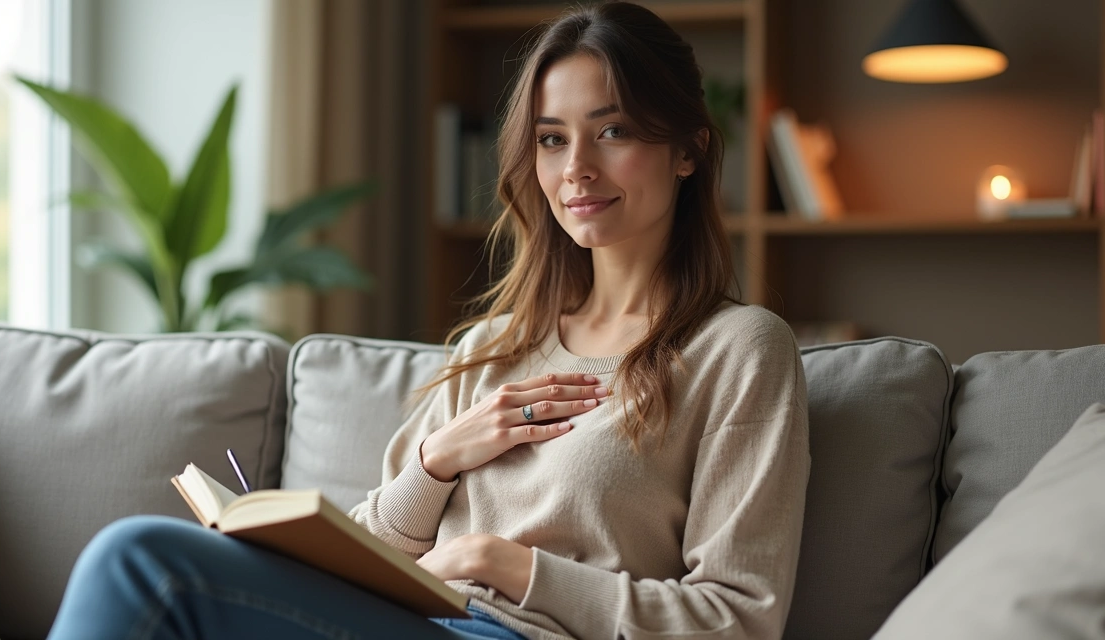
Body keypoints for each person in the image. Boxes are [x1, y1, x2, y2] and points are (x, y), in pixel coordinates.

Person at [46, 2, 810, 639]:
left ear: (688, 150)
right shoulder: (492, 348)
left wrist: (499, 561)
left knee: (140, 561)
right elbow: (367, 562)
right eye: (551, 138)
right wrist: (435, 463)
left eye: (612, 131)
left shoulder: (739, 351)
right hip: (417, 622)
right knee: (144, 565)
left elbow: (736, 619)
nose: (575, 166)